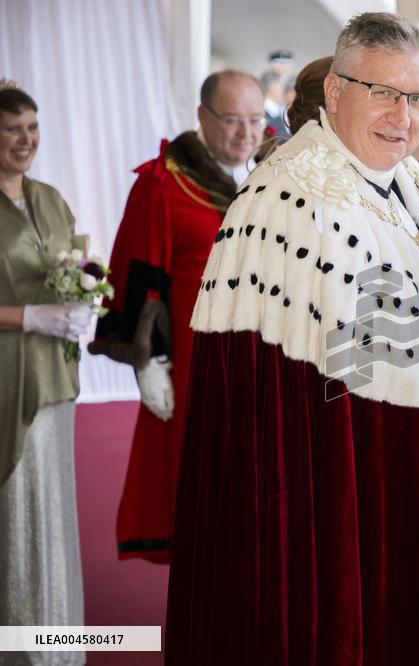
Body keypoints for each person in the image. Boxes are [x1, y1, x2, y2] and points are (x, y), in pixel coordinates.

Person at [165, 12, 419, 665]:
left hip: (380, 497)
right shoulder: (304, 197)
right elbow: (410, 370)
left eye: (417, 98)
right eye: (382, 92)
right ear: (333, 90)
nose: (402, 115)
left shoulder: (403, 182)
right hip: (326, 522)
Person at [88, 70, 265, 563]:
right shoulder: (163, 182)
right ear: (202, 118)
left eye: (255, 120)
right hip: (192, 362)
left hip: (259, 358)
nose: (245, 134)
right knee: (196, 484)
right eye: (232, 120)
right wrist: (150, 361)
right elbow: (138, 271)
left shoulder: (267, 181)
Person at [0, 81, 91, 666]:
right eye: (12, 130)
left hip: (56, 379)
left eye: (32, 127)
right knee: (17, 508)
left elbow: (79, 262)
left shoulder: (51, 198)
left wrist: (87, 297)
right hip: (8, 377)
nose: (27, 140)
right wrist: (31, 316)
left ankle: (58, 643)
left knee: (53, 510)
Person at [261, 69, 291, 138]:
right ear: (271, 87)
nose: (284, 90)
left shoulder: (282, 110)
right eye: (281, 85)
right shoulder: (261, 112)